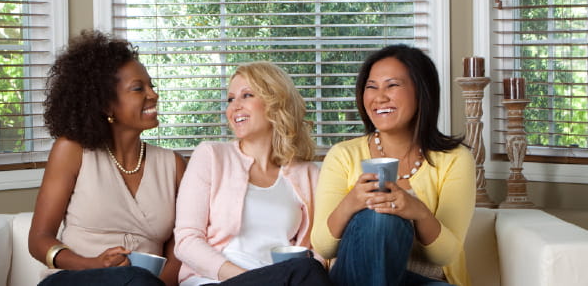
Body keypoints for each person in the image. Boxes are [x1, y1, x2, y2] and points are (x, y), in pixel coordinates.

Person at [28, 30, 186, 286]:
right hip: (75, 279)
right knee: (133, 277)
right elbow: (39, 240)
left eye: (151, 86)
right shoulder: (72, 151)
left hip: (144, 284)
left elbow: (181, 247)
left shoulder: (173, 165)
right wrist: (91, 264)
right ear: (106, 104)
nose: (153, 95)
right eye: (138, 88)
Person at [310, 45, 476, 286]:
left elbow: (445, 256)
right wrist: (352, 202)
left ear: (421, 92)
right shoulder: (342, 155)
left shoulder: (455, 159)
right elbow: (324, 247)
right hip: (352, 277)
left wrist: (417, 211)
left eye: (392, 85)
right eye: (371, 87)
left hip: (420, 280)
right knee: (380, 217)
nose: (379, 97)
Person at [173, 62, 332, 286]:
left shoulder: (307, 174)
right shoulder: (211, 156)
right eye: (230, 99)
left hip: (281, 279)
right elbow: (187, 241)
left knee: (309, 268)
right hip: (215, 281)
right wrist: (251, 280)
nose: (234, 106)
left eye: (246, 95)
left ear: (276, 102)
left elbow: (319, 250)